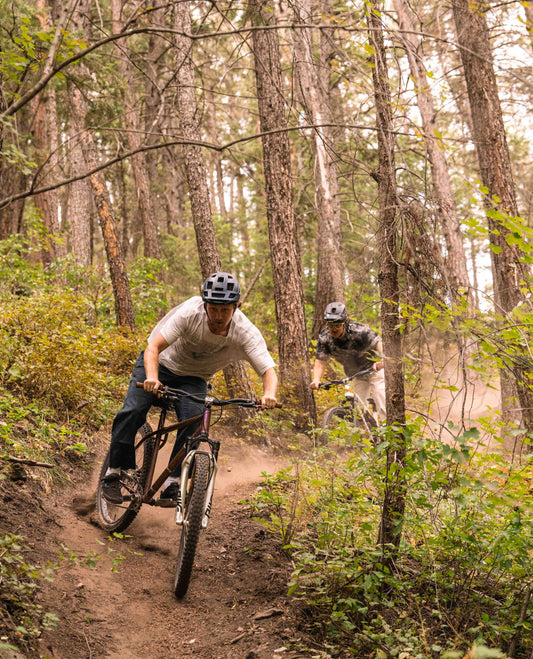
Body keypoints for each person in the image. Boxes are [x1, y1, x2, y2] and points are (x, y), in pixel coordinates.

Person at [102, 272, 278, 505]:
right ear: (205, 304)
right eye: (212, 309)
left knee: (195, 422)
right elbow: (153, 347)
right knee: (133, 411)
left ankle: (172, 483)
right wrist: (153, 378)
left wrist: (269, 395)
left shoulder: (245, 332)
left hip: (194, 378)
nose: (217, 316)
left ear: (237, 307)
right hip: (159, 365)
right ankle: (114, 471)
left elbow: (268, 371)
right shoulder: (189, 313)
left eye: (224, 310)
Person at [310, 302, 386, 420]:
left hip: (374, 368)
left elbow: (378, 342)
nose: (333, 329)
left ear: (344, 323)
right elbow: (320, 361)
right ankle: (367, 435)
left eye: (337, 325)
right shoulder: (324, 337)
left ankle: (391, 433)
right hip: (357, 374)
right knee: (359, 410)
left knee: (381, 398)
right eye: (330, 325)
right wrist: (316, 379)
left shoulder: (359, 331)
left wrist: (382, 360)